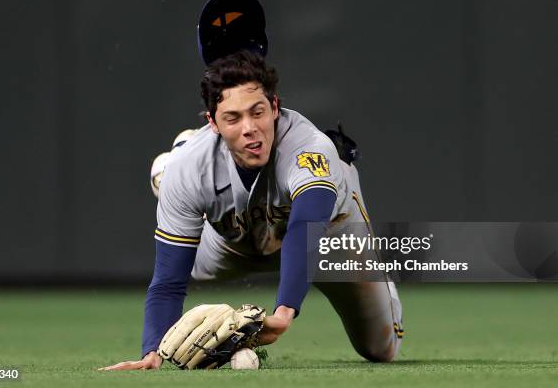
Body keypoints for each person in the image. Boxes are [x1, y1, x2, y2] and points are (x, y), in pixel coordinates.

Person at [100, 50, 403, 371]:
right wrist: (153, 352)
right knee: (176, 181)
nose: (249, 128)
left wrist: (283, 313)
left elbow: (305, 228)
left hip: (326, 238)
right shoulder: (189, 168)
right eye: (232, 118)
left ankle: (346, 196)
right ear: (212, 123)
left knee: (381, 350)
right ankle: (174, 169)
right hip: (231, 242)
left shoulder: (309, 147)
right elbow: (168, 280)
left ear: (275, 107)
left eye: (257, 112)